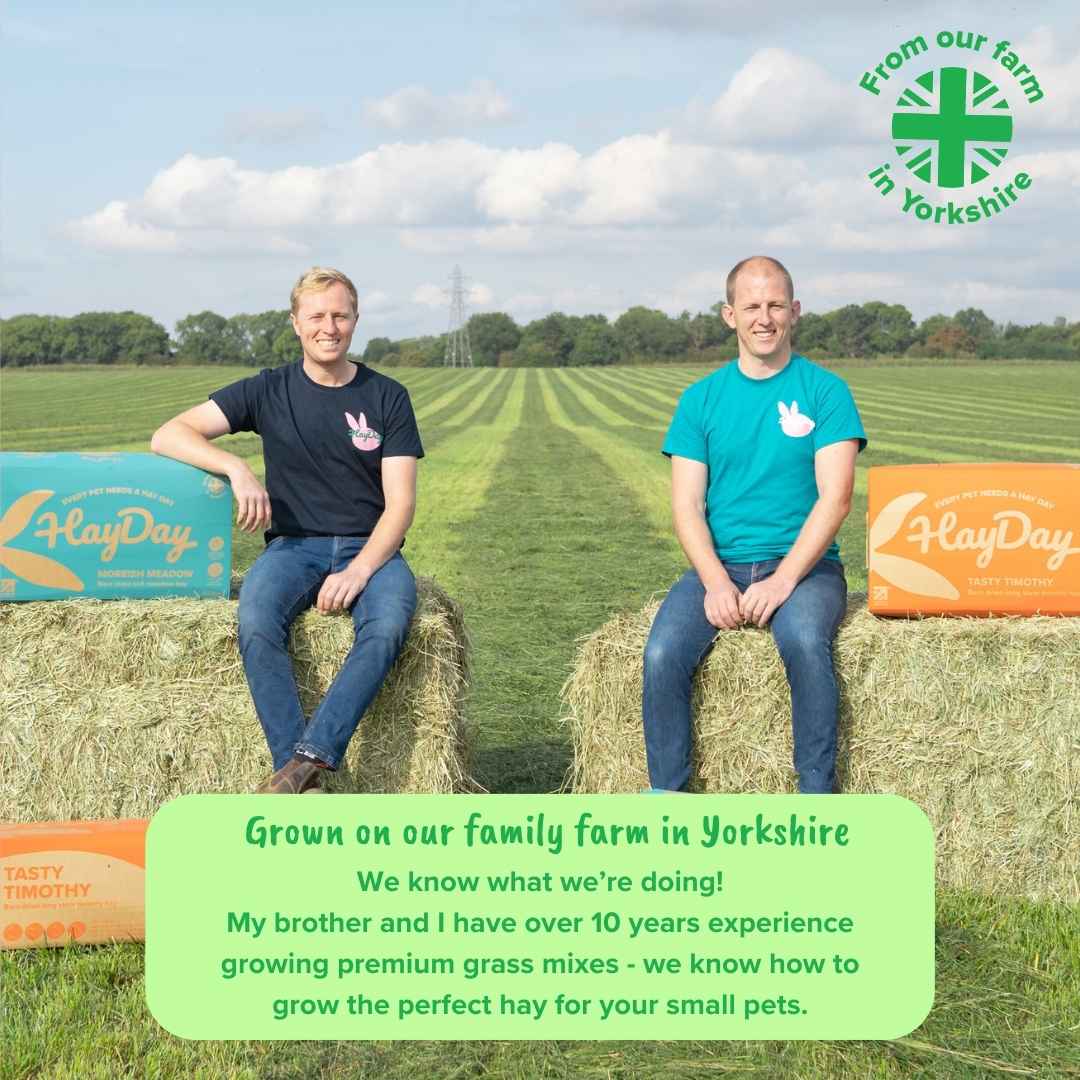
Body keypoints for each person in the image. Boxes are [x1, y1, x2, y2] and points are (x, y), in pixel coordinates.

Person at [150, 267, 423, 793]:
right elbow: (169, 435)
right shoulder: (268, 389)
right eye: (316, 316)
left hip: (372, 548)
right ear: (296, 323)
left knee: (388, 626)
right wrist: (235, 468)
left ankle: (308, 759)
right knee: (255, 620)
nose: (329, 327)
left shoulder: (387, 396)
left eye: (340, 315)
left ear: (356, 320)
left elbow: (401, 505)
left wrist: (360, 570)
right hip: (293, 547)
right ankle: (298, 774)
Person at [643, 256, 866, 794]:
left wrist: (784, 580)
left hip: (806, 569)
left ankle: (817, 800)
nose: (763, 318)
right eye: (751, 307)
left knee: (805, 641)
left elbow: (835, 499)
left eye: (775, 305)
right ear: (729, 315)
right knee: (661, 654)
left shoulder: (826, 391)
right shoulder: (700, 400)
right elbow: (687, 507)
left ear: (795, 311)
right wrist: (716, 582)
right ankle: (666, 800)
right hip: (720, 566)